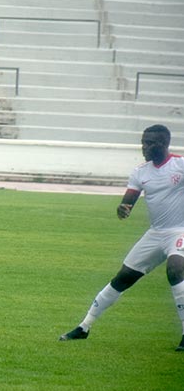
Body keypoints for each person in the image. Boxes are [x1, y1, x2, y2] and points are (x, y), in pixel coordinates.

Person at [59, 124, 184, 351]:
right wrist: (122, 210)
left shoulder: (180, 165)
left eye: (149, 143)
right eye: (143, 142)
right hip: (155, 233)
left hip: (180, 230)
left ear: (163, 144)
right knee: (123, 277)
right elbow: (128, 202)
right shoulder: (140, 172)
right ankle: (84, 327)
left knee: (175, 270)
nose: (144, 147)